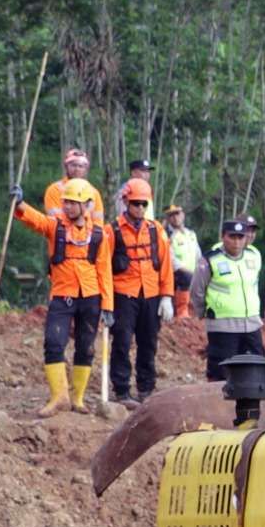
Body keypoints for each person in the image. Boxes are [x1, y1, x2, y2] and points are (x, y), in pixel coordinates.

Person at [9, 178, 114, 417]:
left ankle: (77, 398)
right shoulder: (55, 226)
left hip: (90, 296)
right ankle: (59, 397)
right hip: (62, 294)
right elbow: (35, 220)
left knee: (86, 348)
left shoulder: (98, 234)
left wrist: (107, 305)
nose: (67, 207)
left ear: (86, 205)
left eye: (73, 203)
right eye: (65, 202)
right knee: (54, 343)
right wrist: (21, 204)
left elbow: (104, 270)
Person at [106, 179, 172, 405]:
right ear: (126, 202)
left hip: (151, 294)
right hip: (124, 294)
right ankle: (122, 390)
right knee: (122, 342)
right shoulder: (112, 230)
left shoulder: (156, 230)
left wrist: (167, 296)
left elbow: (165, 264)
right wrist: (106, 303)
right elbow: (104, 267)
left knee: (148, 342)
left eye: (144, 204)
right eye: (136, 203)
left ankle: (146, 388)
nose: (140, 208)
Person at [202, 219, 265, 382]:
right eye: (232, 237)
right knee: (222, 372)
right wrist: (206, 312)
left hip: (251, 323)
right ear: (223, 236)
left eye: (241, 237)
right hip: (223, 325)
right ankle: (217, 406)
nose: (237, 241)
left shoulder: (253, 255)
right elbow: (197, 290)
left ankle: (251, 406)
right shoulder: (211, 259)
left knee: (256, 368)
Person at [163, 203, 202, 321]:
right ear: (168, 219)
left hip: (192, 271)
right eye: (171, 215)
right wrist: (184, 270)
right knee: (186, 277)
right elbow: (170, 258)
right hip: (175, 272)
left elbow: (198, 254)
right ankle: (181, 311)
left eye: (177, 214)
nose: (175, 217)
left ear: (183, 215)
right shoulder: (167, 235)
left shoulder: (191, 234)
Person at [41, 147, 93, 216]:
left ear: (85, 170)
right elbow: (54, 218)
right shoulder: (54, 190)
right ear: (66, 167)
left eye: (80, 166)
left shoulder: (93, 192)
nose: (77, 169)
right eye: (73, 165)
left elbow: (98, 221)